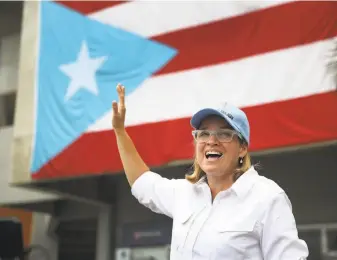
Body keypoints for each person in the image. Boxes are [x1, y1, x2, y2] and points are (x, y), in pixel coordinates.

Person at [112, 84, 309, 260]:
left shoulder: (267, 198)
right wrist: (120, 132)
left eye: (224, 134)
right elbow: (142, 182)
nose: (211, 141)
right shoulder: (184, 193)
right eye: (203, 133)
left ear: (242, 148)